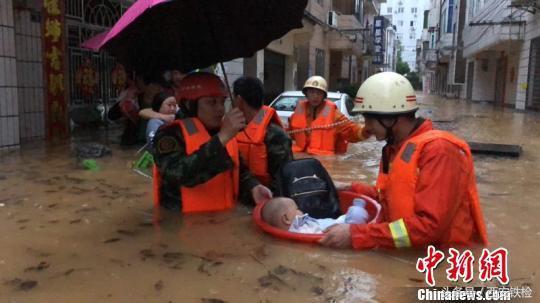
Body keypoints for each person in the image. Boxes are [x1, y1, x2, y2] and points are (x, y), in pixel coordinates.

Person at [319, 72, 488, 249]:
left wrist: (358, 235)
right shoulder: (396, 148)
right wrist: (347, 187)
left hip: (438, 265)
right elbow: (388, 196)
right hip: (410, 256)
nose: (366, 127)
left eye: (368, 119)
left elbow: (429, 228)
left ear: (390, 118)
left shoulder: (439, 151)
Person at [152, 72, 272, 212]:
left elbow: (239, 170)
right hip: (182, 223)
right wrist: (222, 138)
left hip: (223, 219)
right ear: (189, 104)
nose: (220, 109)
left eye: (222, 101)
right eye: (211, 102)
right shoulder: (168, 135)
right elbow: (178, 174)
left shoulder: (223, 131)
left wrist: (254, 187)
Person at [233, 76, 293, 194]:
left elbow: (283, 182)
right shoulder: (232, 130)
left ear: (239, 100)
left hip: (264, 202)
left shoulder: (275, 134)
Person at [288, 75, 370, 155]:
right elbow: (290, 133)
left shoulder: (334, 114)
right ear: (306, 93)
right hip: (301, 158)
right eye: (312, 92)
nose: (315, 96)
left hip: (325, 161)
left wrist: (365, 130)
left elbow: (350, 131)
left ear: (324, 95)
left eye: (319, 93)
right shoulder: (298, 111)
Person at [262, 197, 369, 234]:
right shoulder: (298, 230)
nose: (300, 210)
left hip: (335, 222)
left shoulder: (299, 225)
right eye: (297, 209)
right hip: (342, 226)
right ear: (286, 219)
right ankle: (358, 207)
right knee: (357, 214)